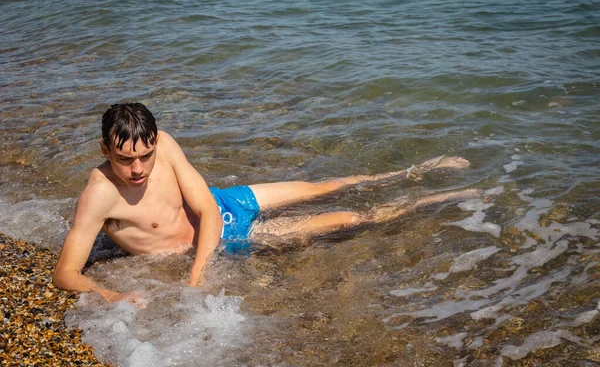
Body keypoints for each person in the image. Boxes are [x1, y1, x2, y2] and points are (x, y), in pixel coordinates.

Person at [53, 103, 478, 303]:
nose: (139, 168)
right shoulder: (99, 196)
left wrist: (197, 274)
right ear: (105, 150)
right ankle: (443, 197)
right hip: (229, 239)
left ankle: (416, 170)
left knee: (322, 186)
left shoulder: (163, 142)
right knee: (350, 217)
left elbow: (203, 206)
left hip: (225, 205)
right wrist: (112, 295)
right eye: (126, 159)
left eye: (145, 155)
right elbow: (65, 273)